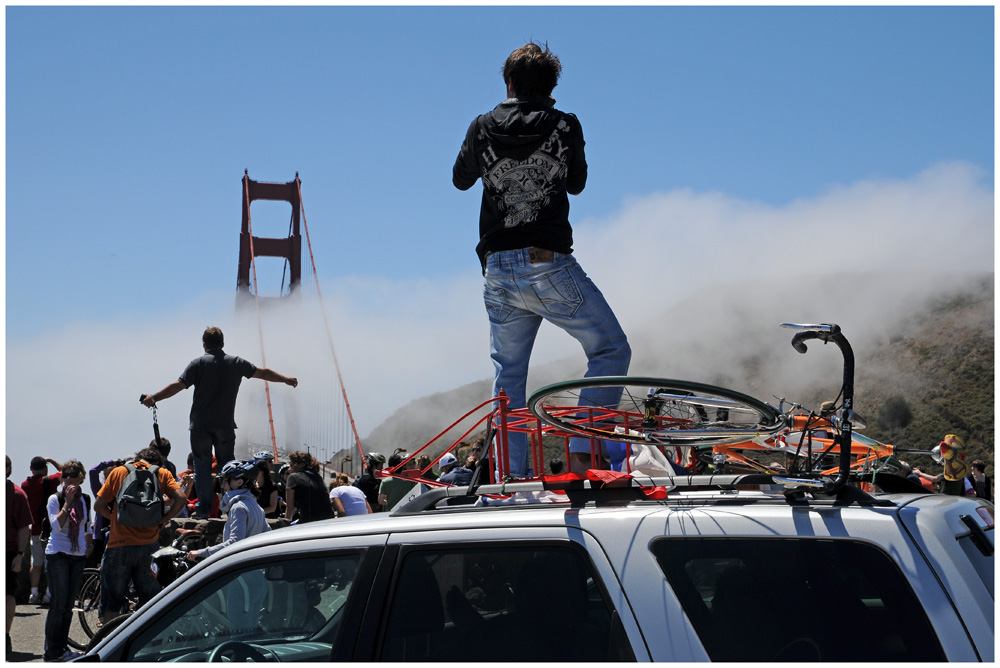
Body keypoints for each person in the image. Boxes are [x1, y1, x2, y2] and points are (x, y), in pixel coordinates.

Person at [453, 42, 631, 478]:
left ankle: (514, 478)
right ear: (551, 87)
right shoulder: (565, 125)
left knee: (509, 377)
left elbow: (460, 181)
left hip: (497, 269)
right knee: (610, 349)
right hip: (546, 263)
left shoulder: (481, 126)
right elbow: (577, 184)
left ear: (507, 82)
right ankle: (581, 448)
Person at [140, 326, 298, 519]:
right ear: (223, 343)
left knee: (202, 468)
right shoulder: (236, 363)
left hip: (200, 426)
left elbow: (178, 386)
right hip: (225, 426)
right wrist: (286, 380)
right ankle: (233, 508)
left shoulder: (197, 364)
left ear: (204, 344)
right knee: (228, 467)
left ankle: (204, 511)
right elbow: (262, 372)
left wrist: (154, 398)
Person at [94, 448, 186, 625]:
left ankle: (110, 645)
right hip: (149, 546)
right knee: (150, 602)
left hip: (118, 544)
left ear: (137, 459)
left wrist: (115, 517)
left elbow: (98, 506)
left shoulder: (119, 472)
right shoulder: (162, 473)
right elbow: (181, 499)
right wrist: (163, 520)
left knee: (112, 603)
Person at [186, 460, 269, 637]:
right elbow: (267, 537)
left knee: (239, 635)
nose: (222, 485)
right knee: (251, 634)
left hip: (242, 581)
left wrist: (201, 553)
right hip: (257, 580)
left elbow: (234, 543)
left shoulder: (239, 507)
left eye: (225, 480)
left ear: (239, 482)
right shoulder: (257, 507)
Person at [42, 461, 93, 662]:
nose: (68, 479)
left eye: (73, 475)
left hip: (78, 556)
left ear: (81, 477)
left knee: (68, 606)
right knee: (58, 605)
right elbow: (56, 525)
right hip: (58, 555)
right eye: (65, 475)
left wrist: (88, 547)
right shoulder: (55, 499)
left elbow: (87, 525)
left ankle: (62, 648)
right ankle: (52, 651)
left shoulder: (86, 499)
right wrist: (67, 503)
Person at [21, 456, 63, 605]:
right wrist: (52, 460)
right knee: (52, 562)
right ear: (45, 469)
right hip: (51, 530)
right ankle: (48, 594)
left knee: (36, 562)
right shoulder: (50, 481)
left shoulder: (24, 485)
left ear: (31, 469)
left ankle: (33, 594)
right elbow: (65, 471)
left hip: (35, 530)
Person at [6, 456, 32, 657]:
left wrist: (20, 554)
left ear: (8, 469)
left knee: (7, 596)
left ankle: (4, 636)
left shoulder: (16, 494)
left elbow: (25, 527)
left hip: (8, 551)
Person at [283, 451, 334, 524]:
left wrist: (285, 527)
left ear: (300, 465)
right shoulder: (318, 477)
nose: (289, 469)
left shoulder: (293, 477)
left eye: (291, 465)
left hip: (309, 522)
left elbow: (289, 508)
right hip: (328, 520)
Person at [251, 452, 280, 518]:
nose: (272, 464)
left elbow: (272, 507)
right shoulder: (251, 485)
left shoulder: (272, 486)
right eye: (269, 461)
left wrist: (256, 513)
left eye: (271, 461)